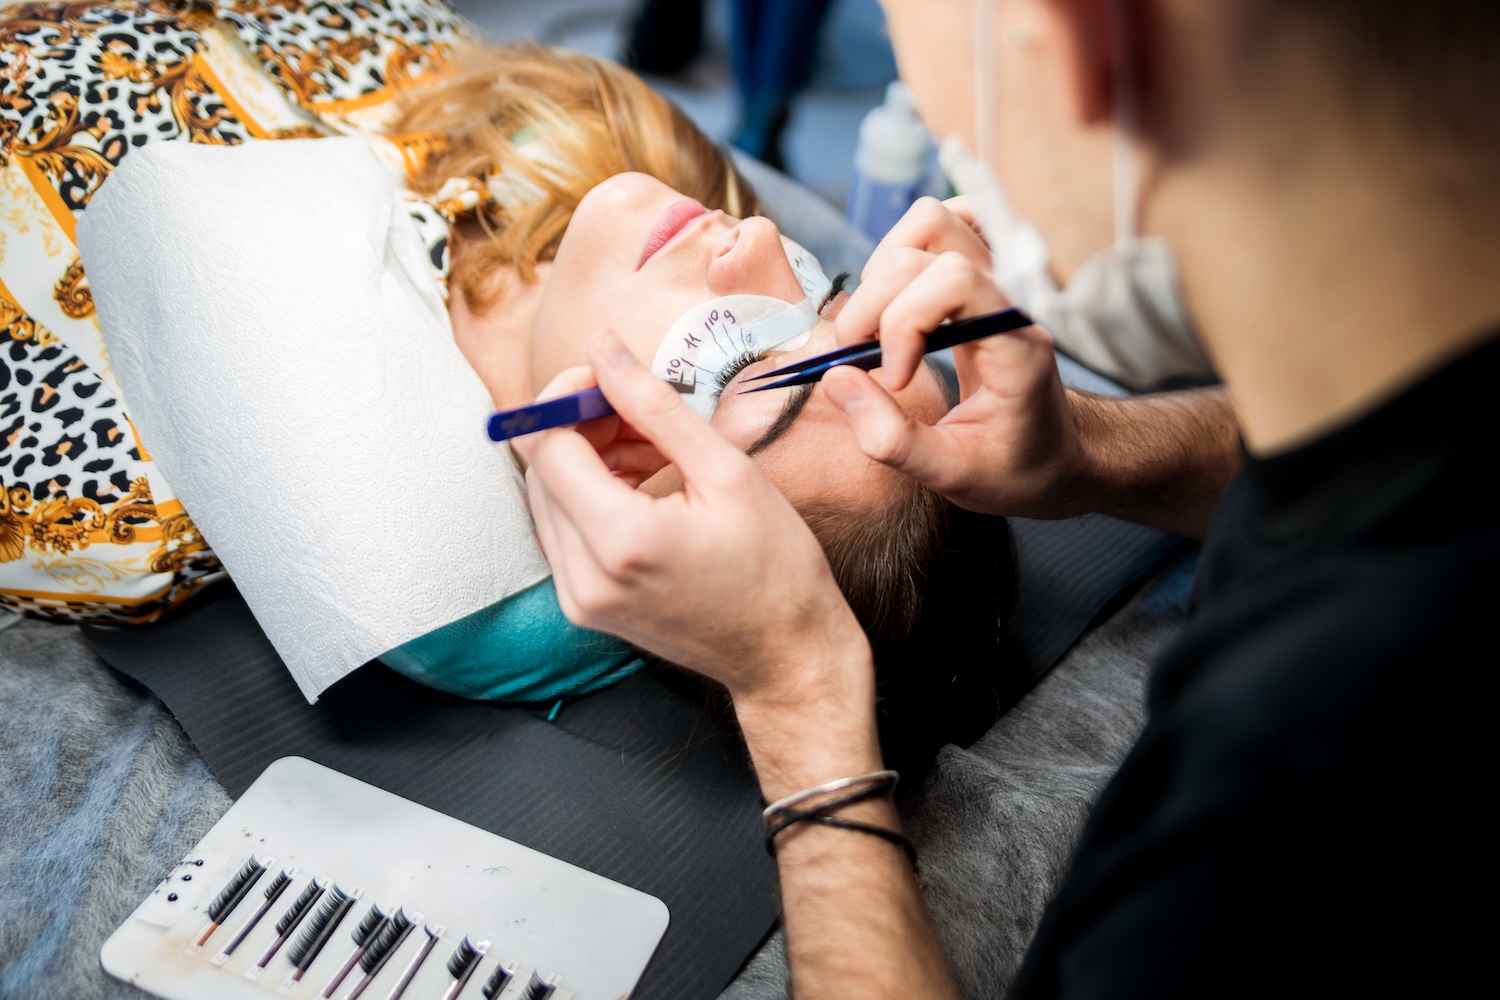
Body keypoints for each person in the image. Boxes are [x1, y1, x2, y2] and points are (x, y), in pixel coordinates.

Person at [515, 0, 1496, 995]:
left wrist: (798, 693)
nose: (762, 236)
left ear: (1080, 34)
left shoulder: (1272, 821)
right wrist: (1088, 451)